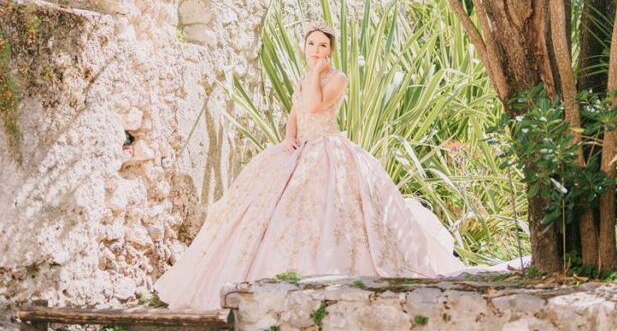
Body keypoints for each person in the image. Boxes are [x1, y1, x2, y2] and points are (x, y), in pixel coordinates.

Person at [153, 20, 464, 309]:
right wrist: (289, 138)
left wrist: (316, 73)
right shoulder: (303, 78)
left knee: (329, 211)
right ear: (305, 47)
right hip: (299, 147)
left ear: (331, 50)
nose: (317, 50)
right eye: (312, 44)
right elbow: (296, 112)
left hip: (328, 149)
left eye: (323, 45)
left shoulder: (337, 77)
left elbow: (315, 106)